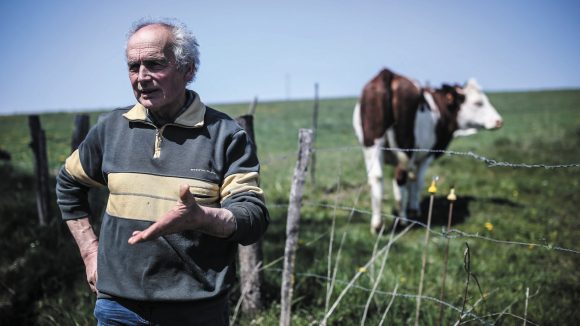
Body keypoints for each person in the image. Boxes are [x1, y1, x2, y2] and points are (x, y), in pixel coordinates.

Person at [56, 18, 269, 325]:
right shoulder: (112, 129)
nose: (142, 77)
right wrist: (90, 251)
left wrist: (203, 218)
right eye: (133, 66)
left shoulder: (225, 135)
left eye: (154, 64)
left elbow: (253, 217)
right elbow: (68, 183)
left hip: (196, 309)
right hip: (118, 308)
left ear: (188, 69)